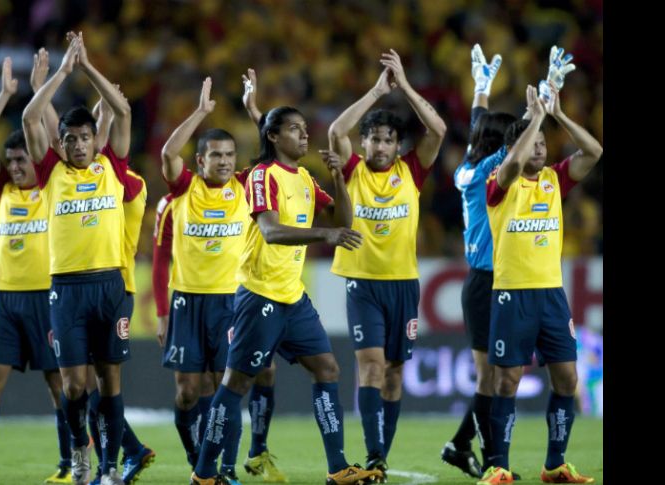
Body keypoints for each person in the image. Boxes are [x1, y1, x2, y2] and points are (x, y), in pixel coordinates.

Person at [191, 95, 381, 485]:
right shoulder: (263, 175)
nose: (304, 134)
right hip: (259, 295)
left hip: (292, 297)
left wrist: (340, 179)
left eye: (304, 128)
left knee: (327, 368)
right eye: (294, 129)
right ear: (274, 136)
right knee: (237, 383)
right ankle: (204, 474)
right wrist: (325, 233)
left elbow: (344, 220)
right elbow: (271, 231)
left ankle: (338, 468)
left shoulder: (307, 180)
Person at [22, 32, 142, 485]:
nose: (77, 146)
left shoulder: (112, 164)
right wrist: (62, 74)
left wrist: (88, 66)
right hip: (67, 290)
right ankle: (79, 450)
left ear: (95, 140)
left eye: (84, 138)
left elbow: (124, 110)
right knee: (74, 386)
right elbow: (33, 116)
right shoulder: (50, 171)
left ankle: (110, 467)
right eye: (69, 139)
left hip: (109, 284)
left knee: (110, 380)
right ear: (62, 144)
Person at [157, 77, 284, 485]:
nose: (225, 162)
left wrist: (253, 111)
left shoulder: (247, 187)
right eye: (216, 155)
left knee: (224, 388)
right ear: (200, 161)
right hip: (187, 302)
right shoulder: (183, 189)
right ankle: (199, 458)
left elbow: (274, 152)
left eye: (230, 154)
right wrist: (201, 112)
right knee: (187, 392)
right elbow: (167, 152)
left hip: (233, 303)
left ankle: (221, 469)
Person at [327, 49, 446, 480]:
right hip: (363, 283)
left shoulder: (412, 172)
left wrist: (406, 87)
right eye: (373, 139)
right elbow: (336, 129)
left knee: (394, 374)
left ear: (398, 147)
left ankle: (381, 453)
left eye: (387, 140)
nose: (379, 146)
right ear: (365, 144)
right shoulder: (355, 168)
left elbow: (439, 129)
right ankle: (374, 453)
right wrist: (377, 91)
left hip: (403, 284)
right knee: (372, 365)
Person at [477, 81, 601, 485]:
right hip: (512, 294)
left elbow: (595, 152)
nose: (540, 151)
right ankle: (498, 465)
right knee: (506, 381)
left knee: (567, 379)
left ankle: (555, 465)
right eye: (534, 144)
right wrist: (535, 120)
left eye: (544, 145)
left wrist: (558, 115)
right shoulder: (499, 181)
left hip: (551, 295)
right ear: (517, 147)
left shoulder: (554, 180)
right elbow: (512, 164)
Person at [0, 53, 72, 485]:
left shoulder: (51, 187)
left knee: (58, 386)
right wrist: (5, 96)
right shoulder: (3, 189)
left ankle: (66, 465)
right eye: (14, 161)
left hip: (47, 298)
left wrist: (40, 95)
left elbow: (57, 143)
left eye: (24, 160)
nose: (19, 167)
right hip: (5, 300)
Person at [441, 43, 514, 479]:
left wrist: (480, 91)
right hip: (487, 283)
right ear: (499, 146)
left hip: (488, 281)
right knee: (489, 379)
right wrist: (545, 105)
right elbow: (512, 142)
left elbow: (476, 131)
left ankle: (460, 444)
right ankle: (489, 461)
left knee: (496, 377)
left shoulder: (469, 168)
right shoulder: (492, 168)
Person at [83, 94, 156, 485]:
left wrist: (108, 113)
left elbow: (100, 148)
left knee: (102, 387)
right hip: (98, 284)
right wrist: (103, 110)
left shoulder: (125, 182)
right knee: (92, 387)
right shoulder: (110, 175)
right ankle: (129, 452)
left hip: (116, 286)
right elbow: (97, 143)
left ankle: (113, 462)